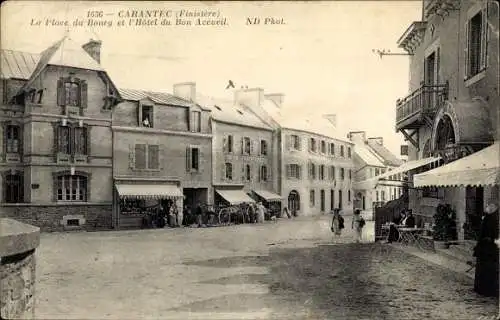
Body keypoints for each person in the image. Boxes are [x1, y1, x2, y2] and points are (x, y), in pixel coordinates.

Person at [473, 203, 499, 297]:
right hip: (484, 248)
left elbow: (496, 236)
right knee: (482, 269)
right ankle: (481, 288)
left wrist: (491, 241)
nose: (486, 207)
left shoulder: (493, 220)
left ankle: (486, 289)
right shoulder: (487, 218)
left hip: (489, 249)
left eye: (488, 206)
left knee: (487, 270)